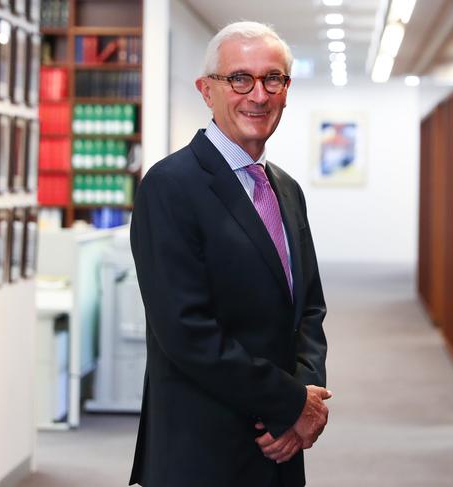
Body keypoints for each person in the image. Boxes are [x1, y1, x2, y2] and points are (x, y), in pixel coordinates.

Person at [129, 21, 330, 487]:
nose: (257, 95)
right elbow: (186, 332)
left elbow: (309, 310)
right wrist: (289, 404)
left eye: (272, 79)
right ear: (206, 90)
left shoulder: (286, 190)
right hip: (203, 450)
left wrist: (305, 399)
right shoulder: (170, 186)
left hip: (281, 446)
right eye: (240, 78)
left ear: (286, 90)